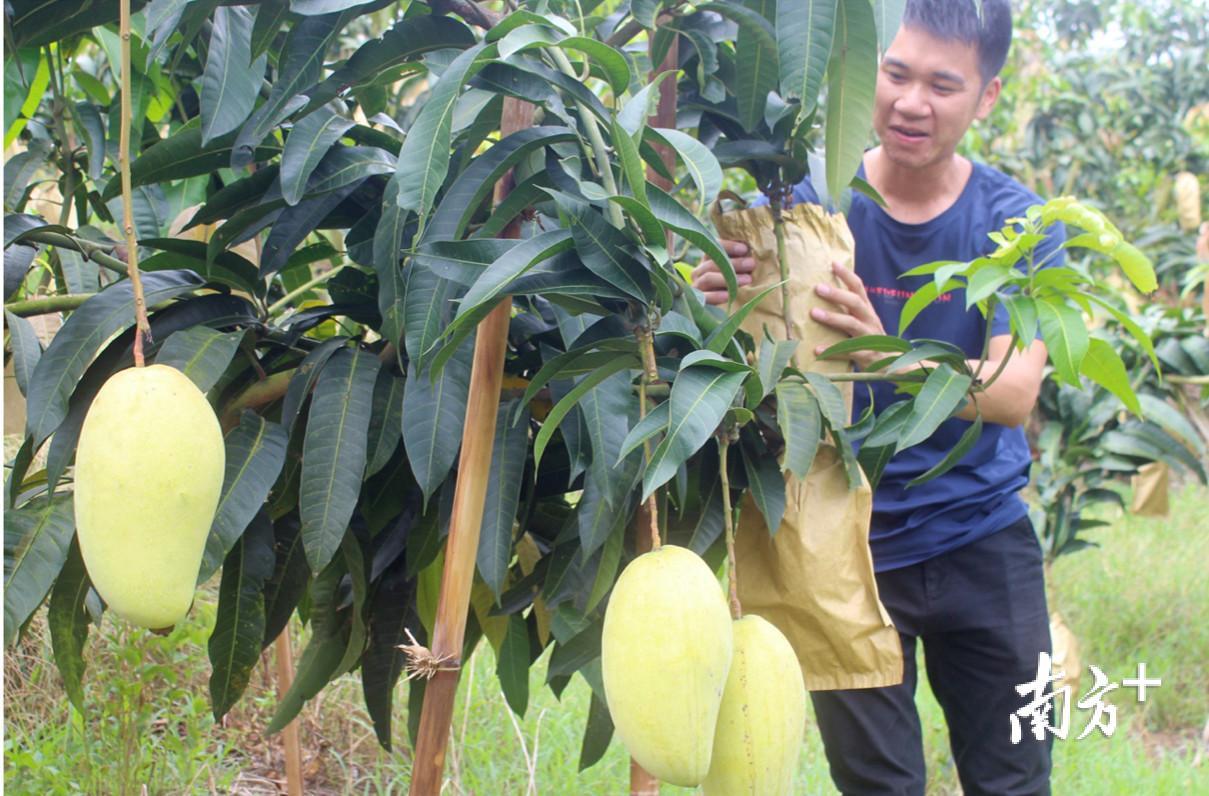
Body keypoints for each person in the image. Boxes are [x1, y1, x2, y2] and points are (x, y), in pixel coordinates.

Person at [693, 1, 1062, 794]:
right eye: (894, 74)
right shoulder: (805, 200)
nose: (909, 103)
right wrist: (715, 290)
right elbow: (742, 353)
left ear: (986, 97)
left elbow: (1011, 394)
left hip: (982, 542)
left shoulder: (1017, 224)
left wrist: (881, 356)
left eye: (941, 84)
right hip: (834, 545)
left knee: (1014, 781)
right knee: (876, 788)